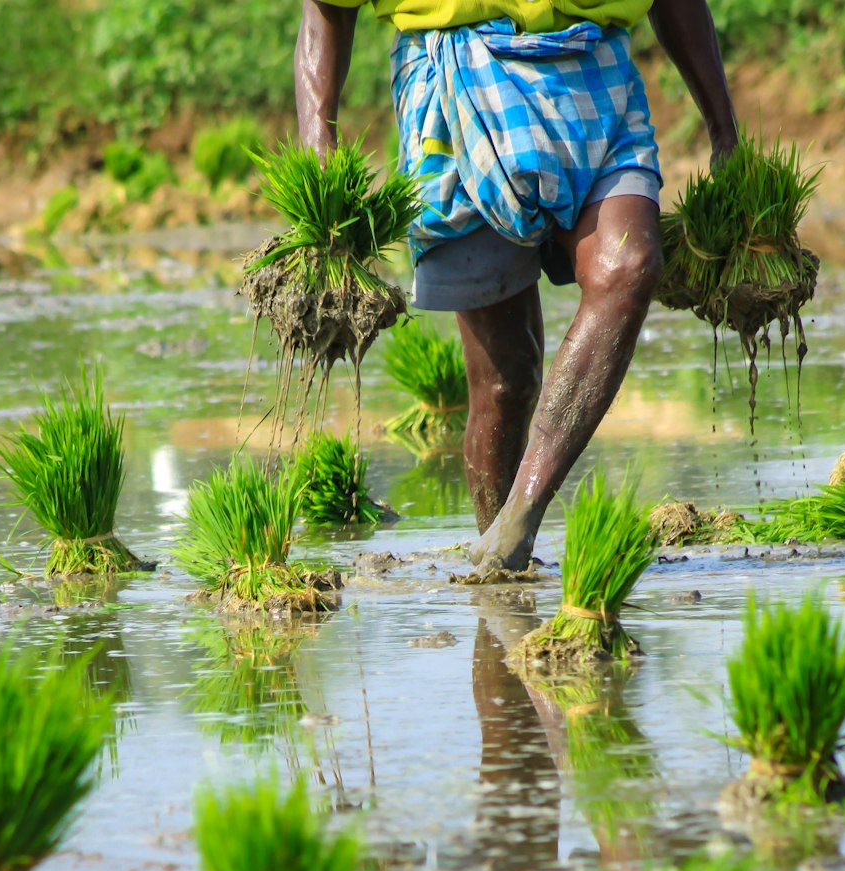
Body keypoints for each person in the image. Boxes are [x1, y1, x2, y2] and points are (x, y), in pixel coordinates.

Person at [294, 0, 737, 573]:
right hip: (455, 81)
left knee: (628, 268)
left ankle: (520, 516)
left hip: (593, 70)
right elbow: (328, 7)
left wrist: (723, 129)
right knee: (505, 379)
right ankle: (500, 566)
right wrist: (317, 138)